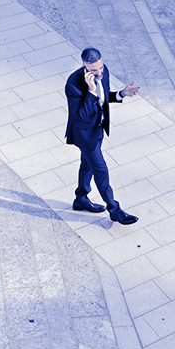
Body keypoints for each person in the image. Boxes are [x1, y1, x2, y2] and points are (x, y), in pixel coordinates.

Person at [65, 47, 141, 225]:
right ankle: (114, 210)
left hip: (98, 129)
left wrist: (121, 94)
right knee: (101, 171)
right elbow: (79, 116)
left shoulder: (104, 71)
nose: (99, 72)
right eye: (93, 70)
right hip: (85, 135)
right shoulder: (73, 83)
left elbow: (104, 98)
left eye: (100, 67)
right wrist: (90, 91)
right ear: (84, 66)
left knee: (87, 165)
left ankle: (81, 199)